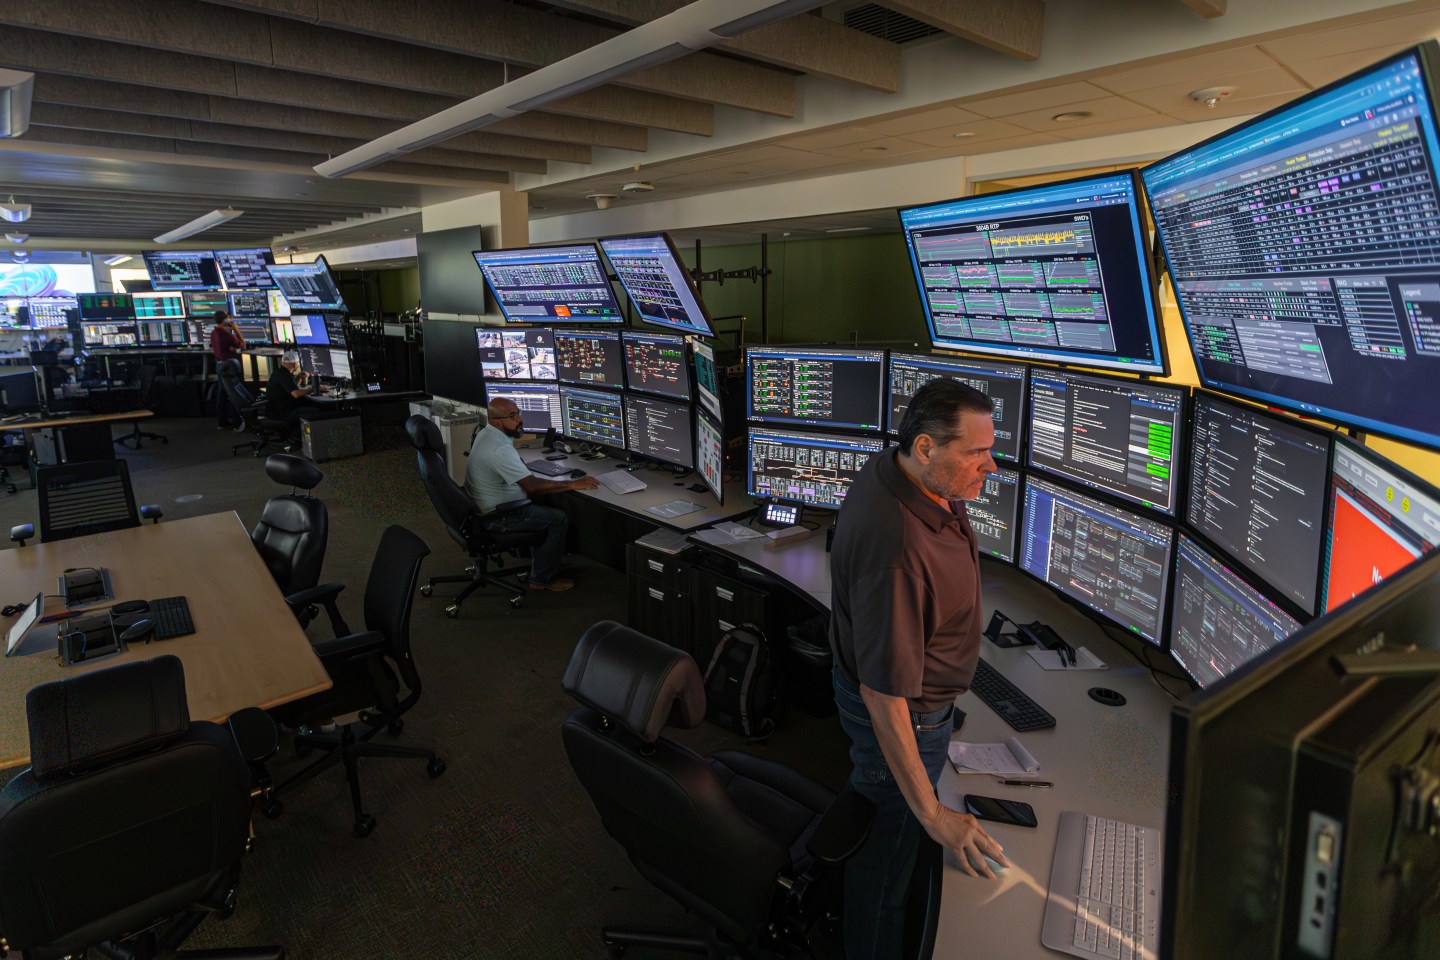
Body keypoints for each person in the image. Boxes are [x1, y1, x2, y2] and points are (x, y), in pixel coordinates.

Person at [828, 378, 1009, 959]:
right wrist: (934, 816)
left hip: (913, 696)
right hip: (906, 715)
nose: (992, 465)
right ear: (927, 447)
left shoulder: (903, 473)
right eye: (977, 453)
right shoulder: (898, 550)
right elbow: (884, 695)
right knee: (888, 858)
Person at [464, 397, 599, 592]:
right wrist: (574, 483)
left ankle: (546, 561)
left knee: (544, 507)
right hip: (499, 516)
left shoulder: (486, 435)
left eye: (518, 412)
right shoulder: (500, 449)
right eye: (512, 416)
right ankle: (541, 578)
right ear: (496, 421)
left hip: (483, 508)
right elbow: (532, 486)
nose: (519, 419)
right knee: (557, 519)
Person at [265, 350, 322, 441]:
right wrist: (316, 388)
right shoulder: (285, 376)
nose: (299, 365)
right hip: (283, 412)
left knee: (309, 403)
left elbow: (291, 388)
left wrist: (299, 377)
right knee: (316, 410)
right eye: (298, 363)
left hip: (276, 409)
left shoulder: (280, 373)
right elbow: (295, 394)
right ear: (294, 364)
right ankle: (310, 439)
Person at [210, 310, 246, 430]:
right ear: (225, 320)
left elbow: (226, 347)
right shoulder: (226, 334)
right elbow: (243, 345)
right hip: (229, 367)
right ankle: (237, 422)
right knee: (234, 394)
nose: (231, 321)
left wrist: (232, 349)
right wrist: (236, 329)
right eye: (229, 319)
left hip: (219, 365)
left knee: (222, 394)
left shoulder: (214, 333)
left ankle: (222, 422)